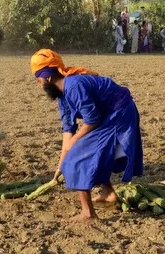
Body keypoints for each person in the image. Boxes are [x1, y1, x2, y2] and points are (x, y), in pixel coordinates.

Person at [30, 49, 144, 222]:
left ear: (47, 78)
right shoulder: (62, 95)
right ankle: (108, 193)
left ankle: (88, 214)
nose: (39, 85)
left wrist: (75, 143)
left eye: (38, 79)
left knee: (78, 159)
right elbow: (68, 129)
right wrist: (60, 166)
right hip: (107, 115)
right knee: (82, 154)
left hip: (119, 113)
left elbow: (92, 119)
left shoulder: (74, 85)